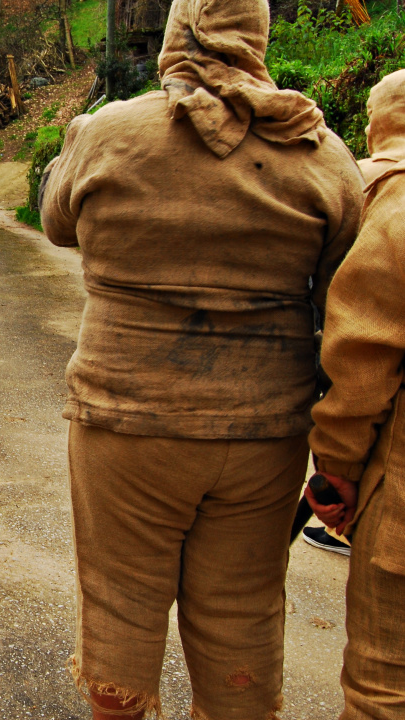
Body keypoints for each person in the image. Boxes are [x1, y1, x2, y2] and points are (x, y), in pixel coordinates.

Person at [38, 0, 364, 717]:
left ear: (175, 33)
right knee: (242, 606)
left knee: (120, 597)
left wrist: (77, 140)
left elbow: (57, 223)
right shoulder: (319, 151)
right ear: (258, 36)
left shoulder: (108, 132)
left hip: (125, 418)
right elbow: (345, 304)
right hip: (264, 430)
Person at [307, 67, 405, 720]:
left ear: (375, 128)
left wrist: (336, 470)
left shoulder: (390, 204)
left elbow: (363, 352)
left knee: (383, 688)